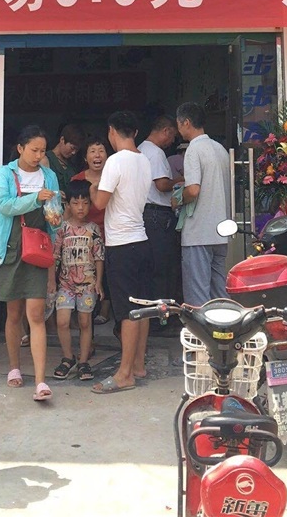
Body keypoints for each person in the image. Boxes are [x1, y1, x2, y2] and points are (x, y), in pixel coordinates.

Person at [0, 125, 61, 402]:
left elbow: (56, 210)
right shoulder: (6, 173)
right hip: (10, 246)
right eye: (34, 150)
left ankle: (40, 380)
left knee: (36, 315)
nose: (39, 156)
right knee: (13, 313)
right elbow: (4, 205)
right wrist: (35, 199)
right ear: (20, 148)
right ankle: (14, 368)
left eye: (42, 151)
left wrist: (55, 216)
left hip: (37, 248)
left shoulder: (49, 175)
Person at [89, 110, 152, 395]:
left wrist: (93, 188)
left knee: (127, 311)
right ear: (135, 133)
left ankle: (124, 374)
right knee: (143, 307)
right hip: (142, 240)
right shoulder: (145, 160)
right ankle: (138, 365)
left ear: (112, 131)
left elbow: (100, 203)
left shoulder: (115, 161)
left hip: (121, 244)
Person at [175, 102, 231, 306]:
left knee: (197, 296)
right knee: (219, 292)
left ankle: (201, 327)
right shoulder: (220, 149)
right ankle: (224, 325)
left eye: (178, 124)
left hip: (198, 232)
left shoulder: (193, 150)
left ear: (186, 122)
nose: (178, 129)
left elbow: (193, 190)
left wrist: (177, 199)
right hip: (220, 231)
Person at [52, 180, 105, 382]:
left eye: (85, 203)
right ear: (68, 205)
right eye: (75, 203)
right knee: (62, 321)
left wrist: (99, 282)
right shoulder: (62, 229)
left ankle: (83, 361)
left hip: (88, 285)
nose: (80, 207)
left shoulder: (94, 229)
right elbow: (54, 257)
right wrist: (51, 281)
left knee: (85, 322)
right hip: (65, 284)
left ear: (90, 204)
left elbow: (99, 257)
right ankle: (68, 357)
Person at [138, 116, 179, 326]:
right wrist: (181, 180)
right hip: (157, 215)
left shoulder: (140, 149)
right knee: (162, 269)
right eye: (172, 136)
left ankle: (152, 319)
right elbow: (162, 185)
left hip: (145, 214)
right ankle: (160, 320)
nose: (172, 142)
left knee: (150, 268)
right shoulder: (155, 153)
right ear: (166, 131)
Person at [72, 136, 111, 323]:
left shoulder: (113, 177)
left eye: (101, 151)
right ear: (85, 157)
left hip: (109, 233)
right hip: (84, 236)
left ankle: (105, 309)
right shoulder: (77, 180)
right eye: (93, 151)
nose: (97, 155)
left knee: (107, 272)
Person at [45, 122, 85, 201]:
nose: (74, 152)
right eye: (72, 148)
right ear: (62, 140)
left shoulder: (72, 165)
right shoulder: (46, 159)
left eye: (76, 150)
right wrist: (55, 192)